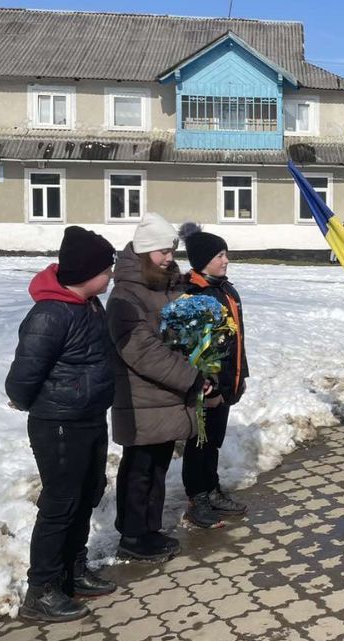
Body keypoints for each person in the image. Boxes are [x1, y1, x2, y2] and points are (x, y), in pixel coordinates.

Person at [5, 226, 118, 622]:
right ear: (86, 273)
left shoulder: (89, 306)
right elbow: (21, 378)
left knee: (88, 493)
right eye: (107, 270)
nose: (111, 276)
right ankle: (43, 590)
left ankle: (73, 568)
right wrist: (28, 401)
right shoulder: (50, 315)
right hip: (59, 424)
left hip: (89, 418)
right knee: (60, 504)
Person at [107, 213, 207, 563]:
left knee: (158, 467)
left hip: (167, 395)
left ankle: (149, 530)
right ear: (146, 250)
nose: (169, 257)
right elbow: (140, 349)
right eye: (163, 251)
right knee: (139, 468)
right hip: (141, 396)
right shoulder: (125, 294)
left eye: (172, 250)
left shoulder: (167, 285)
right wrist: (188, 376)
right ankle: (132, 535)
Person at [177, 223, 250, 528]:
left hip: (226, 383)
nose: (225, 260)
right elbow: (190, 347)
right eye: (220, 255)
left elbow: (235, 339)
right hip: (205, 388)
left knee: (214, 442)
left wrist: (240, 374)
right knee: (200, 443)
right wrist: (207, 384)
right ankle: (198, 499)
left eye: (226, 254)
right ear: (203, 259)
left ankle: (212, 488)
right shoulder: (193, 293)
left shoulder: (224, 289)